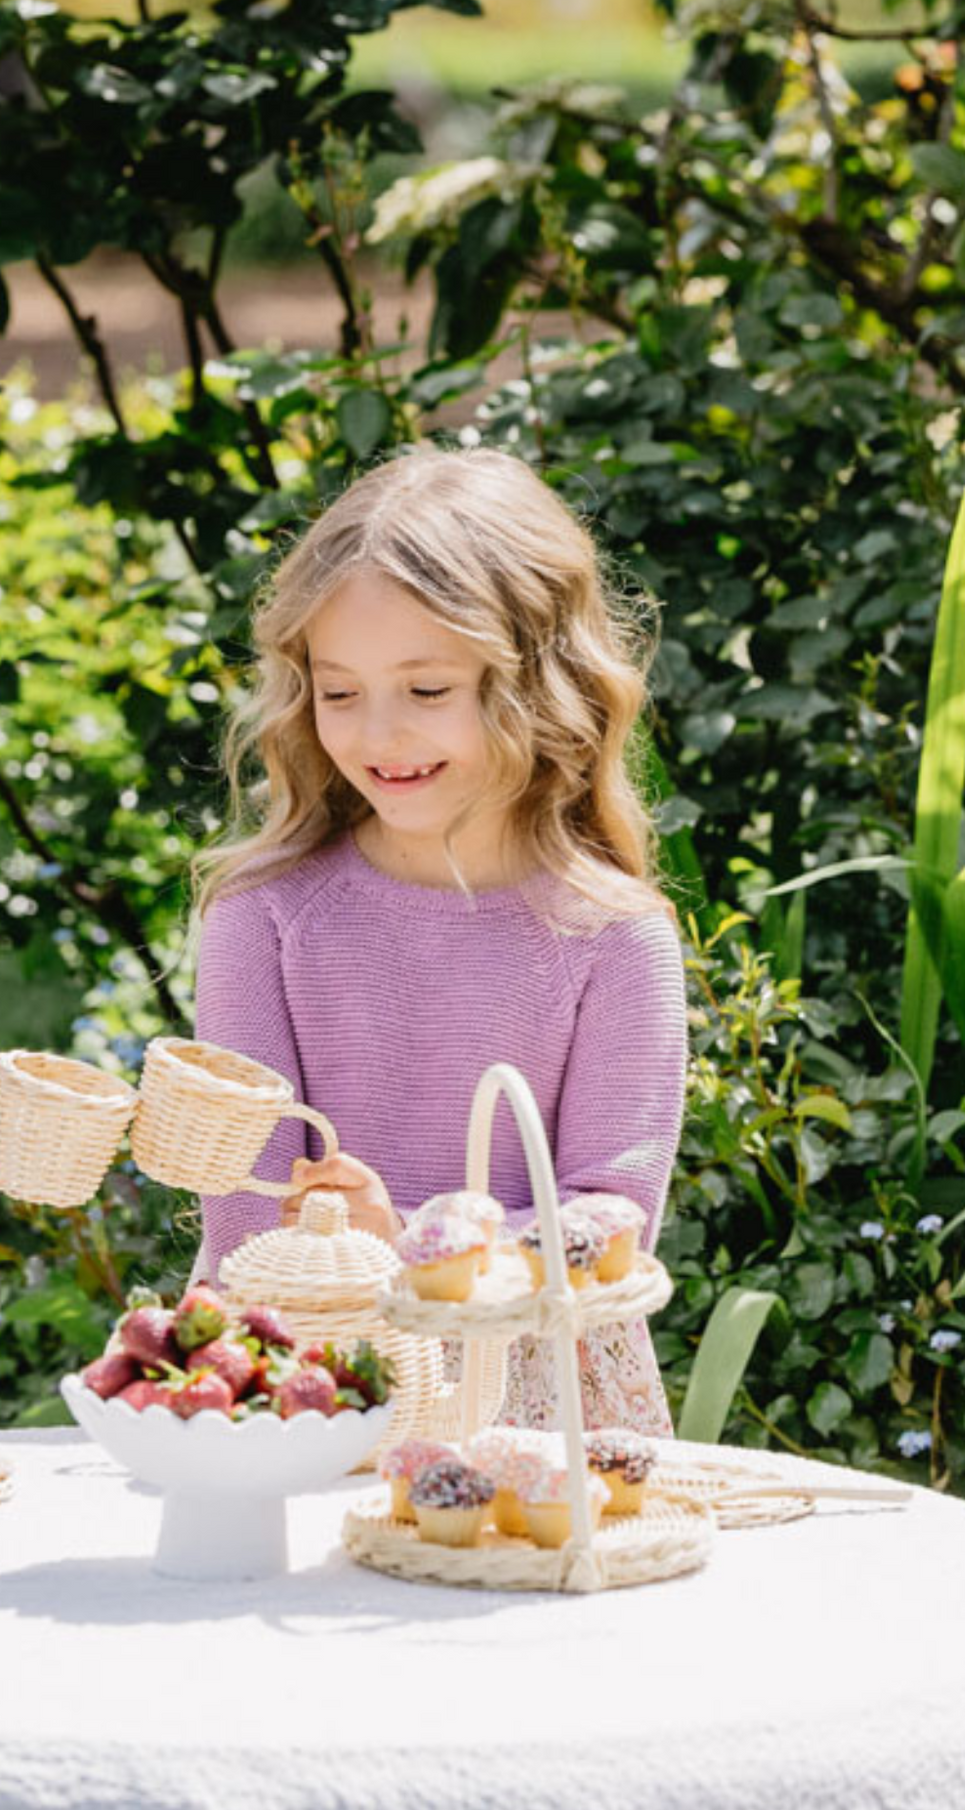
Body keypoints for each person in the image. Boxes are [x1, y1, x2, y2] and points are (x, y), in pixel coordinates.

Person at [191, 446, 687, 1435]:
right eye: (337, 691)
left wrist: (416, 1239)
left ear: (537, 685)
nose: (377, 733)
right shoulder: (262, 916)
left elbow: (610, 1223)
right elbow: (245, 1215)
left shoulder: (614, 936)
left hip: (539, 1416)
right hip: (304, 1382)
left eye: (424, 691)